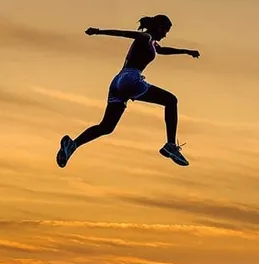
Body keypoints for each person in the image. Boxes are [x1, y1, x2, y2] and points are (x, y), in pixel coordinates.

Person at [56, 14, 200, 168]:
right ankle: (170, 144)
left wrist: (186, 51)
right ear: (159, 27)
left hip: (117, 81)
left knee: (106, 127)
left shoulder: (151, 43)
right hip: (131, 78)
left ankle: (73, 145)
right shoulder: (145, 37)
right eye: (165, 31)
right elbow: (124, 33)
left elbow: (163, 50)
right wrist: (98, 31)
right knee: (171, 100)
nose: (165, 35)